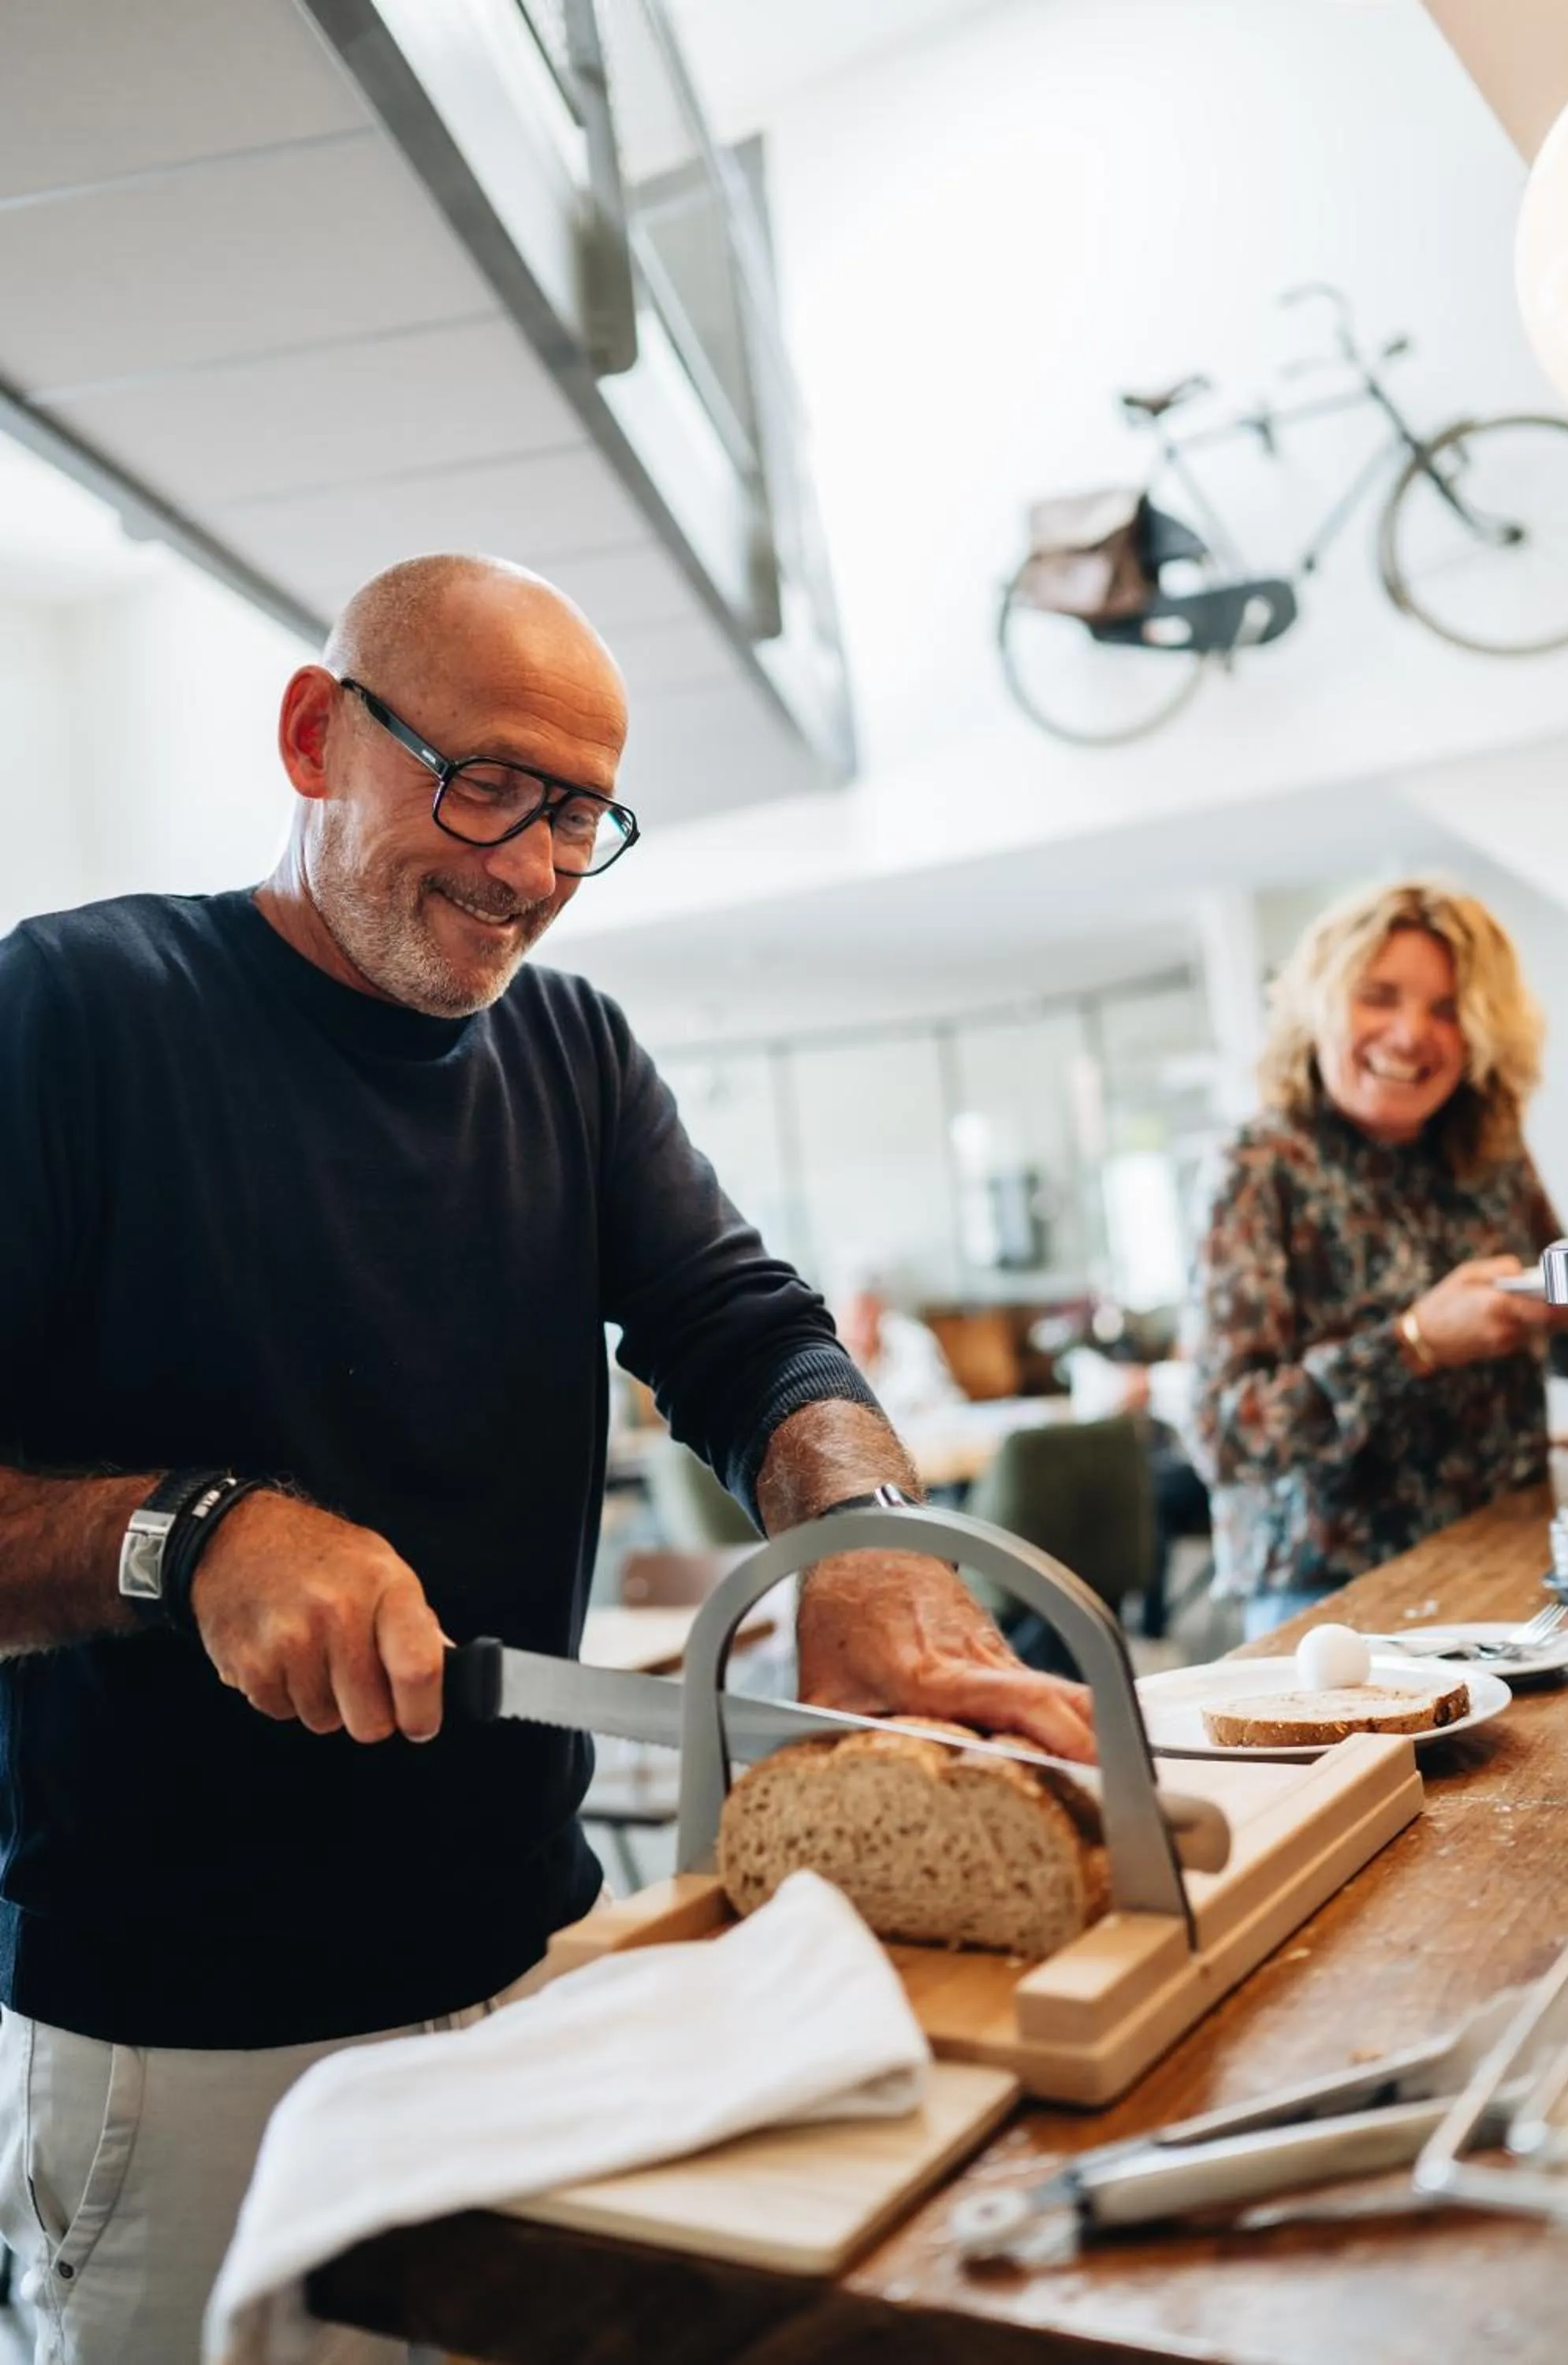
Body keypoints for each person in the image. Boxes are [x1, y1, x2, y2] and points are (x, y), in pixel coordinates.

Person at [0, 554, 1094, 2365]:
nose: (528, 866)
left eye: (580, 813)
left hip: (537, 1986)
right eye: (486, 778)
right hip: (185, 2055)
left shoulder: (568, 1053)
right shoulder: (73, 1013)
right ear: (311, 733)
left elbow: (757, 1337)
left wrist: (868, 1555)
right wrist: (184, 1536)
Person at [1184, 877, 1568, 1640]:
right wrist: (1415, 1345)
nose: (1409, 1034)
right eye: (1379, 996)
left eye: (1445, 1008)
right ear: (1320, 1007)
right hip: (1333, 1599)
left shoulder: (1492, 1155)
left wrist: (1562, 1315)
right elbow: (1225, 1434)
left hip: (1502, 1555)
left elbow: (1566, 1343)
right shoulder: (1257, 1167)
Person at [834, 1269, 965, 1427]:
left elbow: (938, 1400)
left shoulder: (912, 1339)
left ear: (880, 1309)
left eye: (868, 1310)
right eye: (853, 1317)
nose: (862, 1325)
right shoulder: (836, 1356)